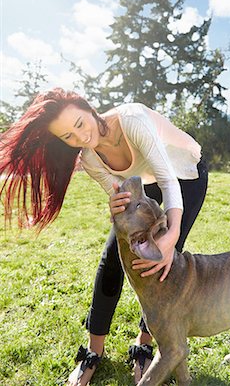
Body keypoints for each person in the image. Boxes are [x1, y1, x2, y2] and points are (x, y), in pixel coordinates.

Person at [0, 88, 208, 386]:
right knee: (113, 259)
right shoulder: (89, 160)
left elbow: (167, 179)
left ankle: (145, 344)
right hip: (144, 182)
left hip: (185, 175)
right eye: (68, 136)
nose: (80, 138)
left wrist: (171, 234)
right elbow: (122, 195)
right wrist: (117, 205)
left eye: (80, 124)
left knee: (161, 261)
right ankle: (92, 353)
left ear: (89, 108)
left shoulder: (132, 120)